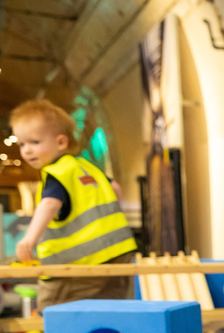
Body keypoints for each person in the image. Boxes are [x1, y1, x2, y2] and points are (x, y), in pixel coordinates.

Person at [10, 99, 137, 311]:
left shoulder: (57, 174)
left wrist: (30, 239)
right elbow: (115, 189)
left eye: (34, 142)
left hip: (80, 262)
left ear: (61, 142)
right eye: (22, 144)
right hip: (119, 252)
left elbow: (49, 203)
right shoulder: (87, 166)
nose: (27, 151)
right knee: (110, 309)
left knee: (52, 307)